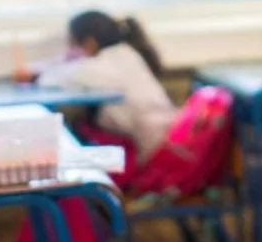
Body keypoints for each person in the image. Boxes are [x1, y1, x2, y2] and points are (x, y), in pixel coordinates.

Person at [15, 11, 176, 163]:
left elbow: (52, 79)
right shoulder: (124, 54)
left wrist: (44, 70)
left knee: (77, 133)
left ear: (89, 43)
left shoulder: (102, 67)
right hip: (158, 137)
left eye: (72, 44)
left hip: (151, 151)